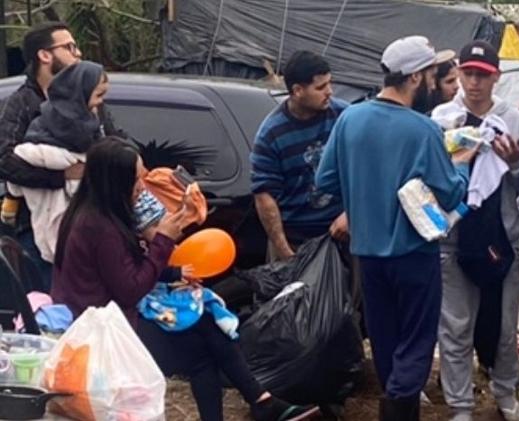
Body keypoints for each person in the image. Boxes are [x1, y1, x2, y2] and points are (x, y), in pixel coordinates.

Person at [52, 139, 320, 421]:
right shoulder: (101, 228)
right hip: (106, 332)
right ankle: (262, 403)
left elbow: (123, 272)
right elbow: (130, 289)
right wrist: (164, 240)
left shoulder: (97, 215)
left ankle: (262, 401)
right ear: (115, 182)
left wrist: (175, 274)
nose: (143, 187)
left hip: (111, 318)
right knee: (203, 352)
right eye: (137, 179)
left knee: (205, 324)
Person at [315, 35, 476, 420]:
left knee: (386, 343)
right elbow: (451, 194)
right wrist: (462, 162)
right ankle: (398, 411)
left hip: (367, 254)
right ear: (417, 77)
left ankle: (397, 403)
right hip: (414, 255)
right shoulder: (422, 130)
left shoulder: (350, 118)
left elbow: (325, 181)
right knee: (417, 344)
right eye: (434, 77)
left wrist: (362, 190)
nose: (436, 85)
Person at [431, 40, 519, 421]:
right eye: (469, 73)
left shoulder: (515, 121)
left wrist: (516, 165)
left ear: (497, 78)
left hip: (502, 241)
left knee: (506, 328)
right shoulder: (442, 119)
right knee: (456, 328)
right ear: (458, 72)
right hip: (454, 239)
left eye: (483, 75)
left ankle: (505, 394)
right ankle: (461, 405)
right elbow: (425, 178)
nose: (474, 83)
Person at [0, 22, 124, 291]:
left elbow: (117, 143)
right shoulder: (21, 103)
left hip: (90, 223)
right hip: (35, 230)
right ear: (45, 55)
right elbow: (5, 161)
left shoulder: (90, 98)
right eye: (69, 47)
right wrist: (60, 175)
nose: (78, 53)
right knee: (51, 310)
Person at [5, 61, 109, 270]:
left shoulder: (94, 124)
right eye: (98, 95)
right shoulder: (47, 128)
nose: (101, 103)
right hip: (49, 236)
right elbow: (15, 164)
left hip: (83, 237)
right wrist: (63, 176)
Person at [250, 50, 349, 261]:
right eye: (321, 87)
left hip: (342, 231)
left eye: (330, 84)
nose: (330, 92)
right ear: (297, 90)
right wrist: (283, 250)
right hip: (295, 238)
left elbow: (366, 170)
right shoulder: (271, 134)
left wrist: (351, 215)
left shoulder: (344, 117)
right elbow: (264, 195)